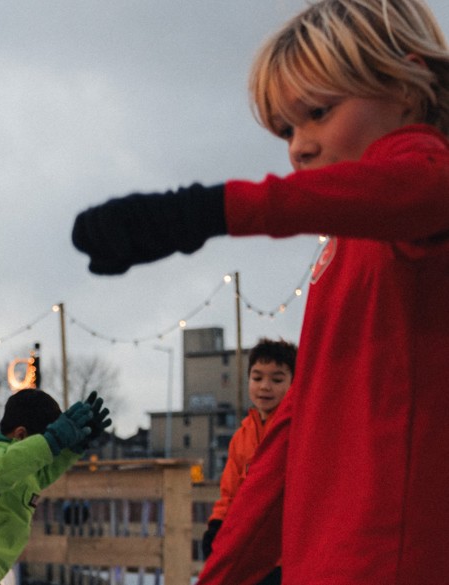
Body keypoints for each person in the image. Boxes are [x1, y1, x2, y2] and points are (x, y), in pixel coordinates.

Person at [71, 1, 449, 581]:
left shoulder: (425, 193)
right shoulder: (347, 249)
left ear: (406, 87)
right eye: (287, 130)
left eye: (318, 112)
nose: (299, 147)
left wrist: (203, 211)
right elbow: (293, 440)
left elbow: (413, 184)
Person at [0, 390, 109, 585]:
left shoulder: (28, 472)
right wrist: (52, 441)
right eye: (41, 445)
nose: (43, 455)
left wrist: (75, 446)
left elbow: (46, 469)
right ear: (21, 435)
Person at [201, 338, 297, 583]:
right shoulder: (242, 437)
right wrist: (217, 524)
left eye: (277, 380)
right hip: (246, 550)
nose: (265, 386)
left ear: (294, 383)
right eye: (257, 378)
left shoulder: (296, 431)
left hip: (284, 553)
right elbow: (230, 491)